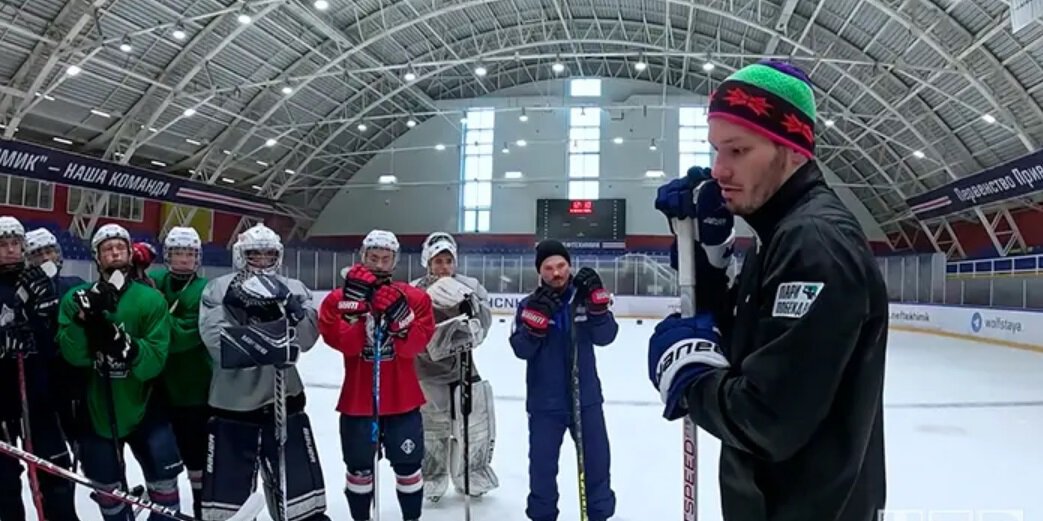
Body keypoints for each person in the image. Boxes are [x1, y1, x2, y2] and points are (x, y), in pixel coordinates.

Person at [647, 60, 888, 521]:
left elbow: (768, 418)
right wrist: (710, 258)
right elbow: (752, 345)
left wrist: (692, 381)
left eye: (738, 150)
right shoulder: (776, 233)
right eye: (716, 150)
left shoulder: (815, 243)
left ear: (792, 149)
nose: (718, 169)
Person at [198, 223, 329, 521]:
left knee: (301, 502)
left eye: (268, 254)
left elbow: (306, 340)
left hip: (285, 403)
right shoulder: (218, 288)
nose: (261, 260)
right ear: (240, 255)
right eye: (254, 254)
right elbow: (220, 347)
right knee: (228, 506)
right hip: (232, 406)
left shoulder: (293, 288)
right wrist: (275, 330)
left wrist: (268, 325)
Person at [57, 223, 182, 521]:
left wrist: (126, 346)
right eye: (107, 248)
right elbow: (74, 356)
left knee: (164, 482)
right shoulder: (77, 297)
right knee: (108, 492)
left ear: (129, 254)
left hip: (145, 404)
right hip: (95, 406)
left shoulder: (150, 300)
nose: (114, 252)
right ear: (96, 257)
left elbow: (154, 361)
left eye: (120, 247)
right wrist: (83, 319)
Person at [318, 229, 435, 521]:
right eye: (373, 257)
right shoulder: (337, 299)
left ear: (394, 261)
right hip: (358, 401)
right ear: (362, 257)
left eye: (385, 259)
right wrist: (354, 311)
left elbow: (414, 348)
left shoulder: (414, 297)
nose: (379, 264)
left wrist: (401, 318)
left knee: (409, 467)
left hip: (403, 400)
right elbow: (347, 345)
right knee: (359, 470)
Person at [508, 240, 617, 521]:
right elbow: (521, 350)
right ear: (539, 271)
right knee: (542, 471)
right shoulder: (527, 305)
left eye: (561, 266)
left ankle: (598, 516)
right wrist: (534, 326)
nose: (556, 273)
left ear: (569, 266)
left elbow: (606, 337)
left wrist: (598, 308)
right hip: (546, 405)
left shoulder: (583, 299)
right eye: (549, 268)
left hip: (587, 401)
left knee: (597, 467)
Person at [0, 219, 80, 520]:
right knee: (4, 487)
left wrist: (43, 319)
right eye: (2, 245)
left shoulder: (39, 280)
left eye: (15, 244)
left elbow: (59, 342)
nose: (10, 250)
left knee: (56, 479)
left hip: (40, 399)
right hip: (2, 405)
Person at [409, 232, 498, 502]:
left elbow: (483, 325)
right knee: (433, 428)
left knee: (475, 425)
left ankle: (472, 474)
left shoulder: (468, 286)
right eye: (438, 261)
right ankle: (433, 477)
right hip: (427, 371)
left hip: (464, 369)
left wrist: (472, 308)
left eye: (448, 260)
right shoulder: (414, 289)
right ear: (427, 262)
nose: (444, 266)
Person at [147, 226, 211, 518]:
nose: (184, 259)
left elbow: (181, 338)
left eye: (189, 254)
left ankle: (203, 509)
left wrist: (155, 306)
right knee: (160, 460)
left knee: (197, 461)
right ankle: (165, 511)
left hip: (194, 390)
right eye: (177, 253)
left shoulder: (204, 290)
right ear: (166, 255)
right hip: (156, 390)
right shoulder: (155, 279)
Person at [23, 227, 88, 460]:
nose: (45, 258)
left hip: (76, 383)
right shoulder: (21, 293)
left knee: (91, 452)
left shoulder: (76, 284)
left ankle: (110, 492)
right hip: (39, 386)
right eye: (37, 254)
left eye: (49, 251)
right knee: (55, 459)